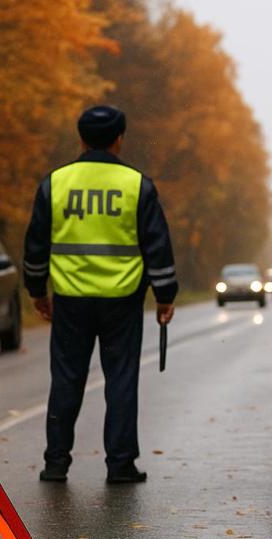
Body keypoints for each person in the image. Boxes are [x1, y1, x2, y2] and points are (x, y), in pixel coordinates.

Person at [23, 105, 177, 484]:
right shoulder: (136, 185)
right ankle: (120, 464)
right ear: (119, 139)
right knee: (121, 381)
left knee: (66, 379)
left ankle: (56, 463)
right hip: (122, 301)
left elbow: (36, 243)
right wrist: (165, 295)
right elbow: (156, 245)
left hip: (71, 300)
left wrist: (37, 291)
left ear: (80, 139)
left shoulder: (55, 183)